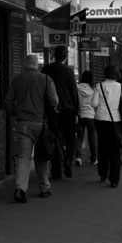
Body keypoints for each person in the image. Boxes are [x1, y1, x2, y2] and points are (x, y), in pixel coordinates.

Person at [4, 53, 59, 203]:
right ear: (38, 65)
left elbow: (8, 101)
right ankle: (45, 187)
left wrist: (16, 113)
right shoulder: (46, 79)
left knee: (23, 157)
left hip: (23, 123)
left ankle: (20, 188)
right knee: (41, 156)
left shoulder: (17, 79)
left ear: (25, 65)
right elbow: (54, 102)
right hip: (41, 123)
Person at [42, 45, 79, 178]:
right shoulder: (68, 71)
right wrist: (76, 112)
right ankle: (68, 159)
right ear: (65, 56)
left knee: (54, 138)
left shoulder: (46, 69)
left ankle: (56, 169)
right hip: (67, 109)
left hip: (51, 110)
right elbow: (73, 92)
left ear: (53, 55)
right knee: (70, 138)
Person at [91, 64, 122, 188]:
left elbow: (94, 103)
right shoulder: (121, 87)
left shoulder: (99, 86)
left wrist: (100, 107)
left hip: (101, 120)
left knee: (102, 147)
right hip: (116, 121)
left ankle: (103, 174)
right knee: (115, 149)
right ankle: (114, 179)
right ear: (117, 74)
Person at [74, 70, 97, 166]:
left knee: (79, 138)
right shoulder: (94, 89)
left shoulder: (77, 88)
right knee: (92, 138)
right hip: (91, 115)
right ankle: (93, 159)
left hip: (80, 115)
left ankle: (78, 157)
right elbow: (96, 103)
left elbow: (75, 101)